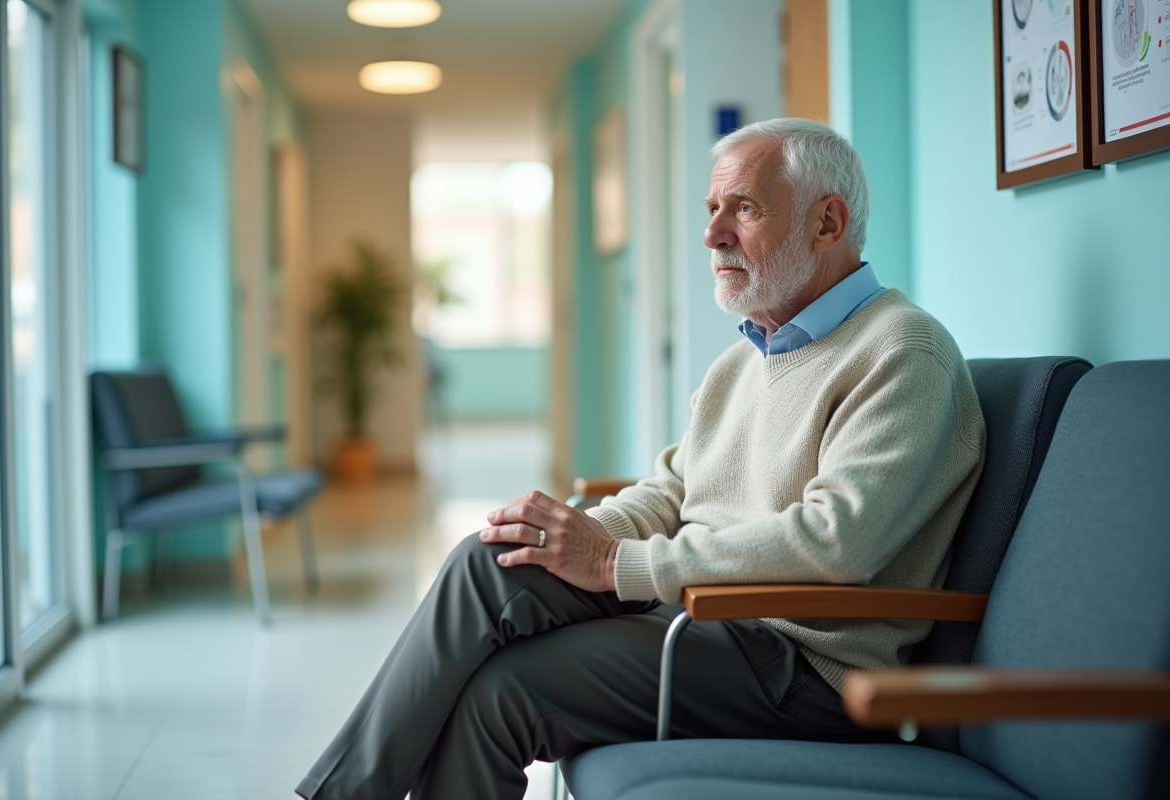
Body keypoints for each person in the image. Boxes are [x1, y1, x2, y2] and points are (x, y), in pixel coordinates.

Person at [296, 118, 985, 800]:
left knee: (502, 693)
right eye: (713, 210)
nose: (713, 234)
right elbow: (670, 493)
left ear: (827, 224)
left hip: (801, 666)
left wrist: (612, 565)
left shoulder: (902, 352)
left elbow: (839, 542)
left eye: (743, 209)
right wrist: (572, 533)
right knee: (491, 559)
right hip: (708, 618)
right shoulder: (743, 361)